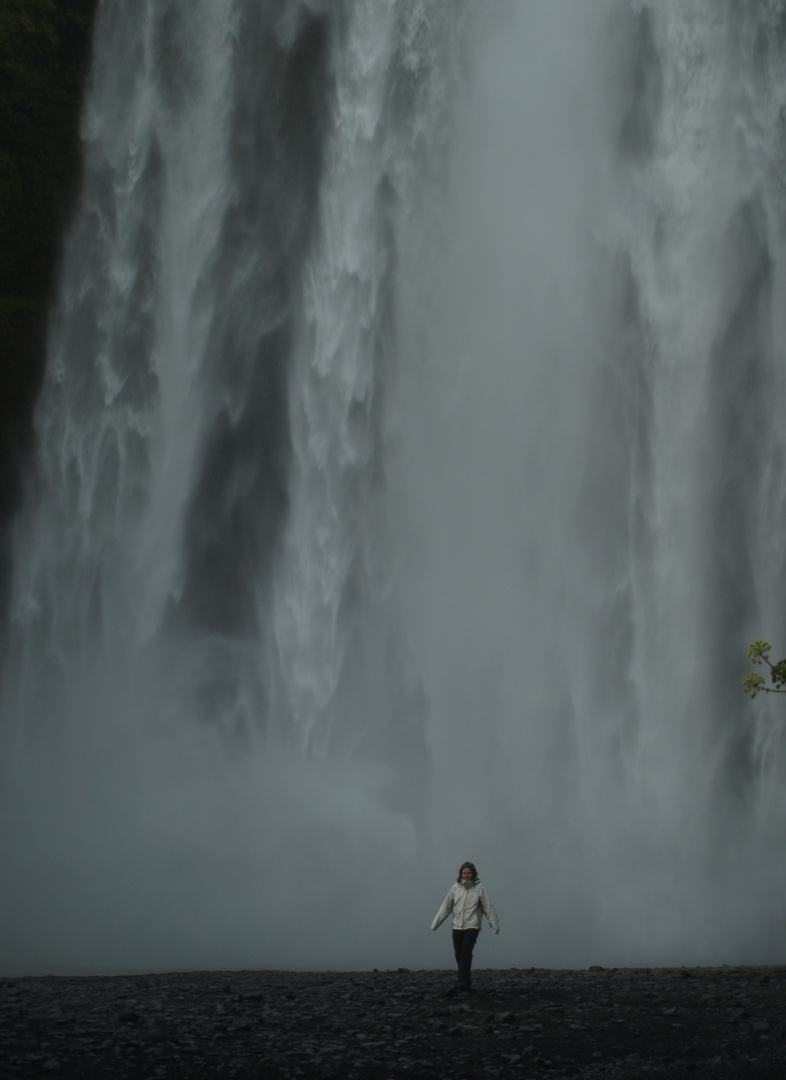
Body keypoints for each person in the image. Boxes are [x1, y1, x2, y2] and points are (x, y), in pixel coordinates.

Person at [431, 861, 499, 991]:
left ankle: (462, 980)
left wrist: (494, 925)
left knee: (466, 950)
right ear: (460, 874)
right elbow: (446, 907)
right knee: (459, 953)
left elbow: (488, 907)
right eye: (464, 873)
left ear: (473, 874)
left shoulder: (480, 888)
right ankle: (465, 981)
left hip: (472, 925)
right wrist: (435, 924)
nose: (466, 875)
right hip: (457, 926)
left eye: (469, 873)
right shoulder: (455, 888)